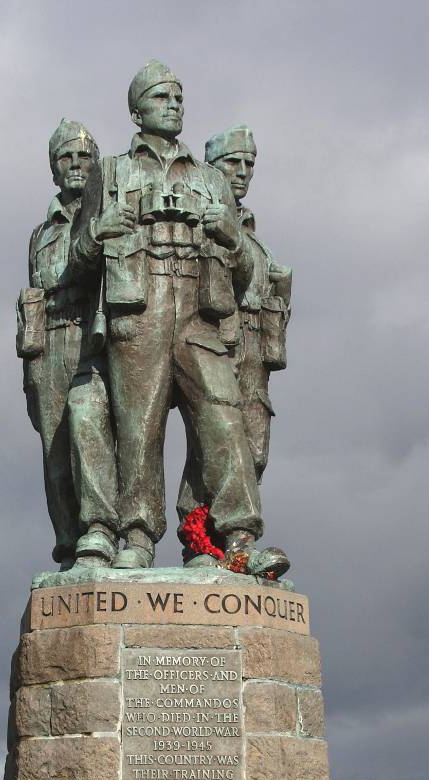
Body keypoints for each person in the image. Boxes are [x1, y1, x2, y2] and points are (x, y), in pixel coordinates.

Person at [72, 61, 285, 575]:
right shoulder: (113, 171)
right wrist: (99, 230)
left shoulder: (211, 179)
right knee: (137, 428)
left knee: (223, 417)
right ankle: (137, 536)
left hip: (199, 311)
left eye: (179, 97)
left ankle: (238, 536)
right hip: (138, 309)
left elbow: (249, 270)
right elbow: (77, 261)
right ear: (136, 109)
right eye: (162, 96)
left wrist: (230, 236)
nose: (174, 105)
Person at [176, 126, 292, 565]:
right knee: (217, 440)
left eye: (249, 164)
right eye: (232, 163)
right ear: (211, 167)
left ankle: (218, 542)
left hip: (255, 350)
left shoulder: (248, 228)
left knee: (254, 448)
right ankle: (203, 537)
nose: (242, 172)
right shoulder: (202, 218)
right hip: (213, 339)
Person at [17, 119, 118, 571]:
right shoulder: (41, 234)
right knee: (56, 459)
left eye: (83, 157)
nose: (76, 165)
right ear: (54, 169)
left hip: (91, 336)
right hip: (47, 346)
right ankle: (69, 548)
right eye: (66, 158)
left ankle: (102, 531)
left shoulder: (105, 214)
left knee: (87, 427)